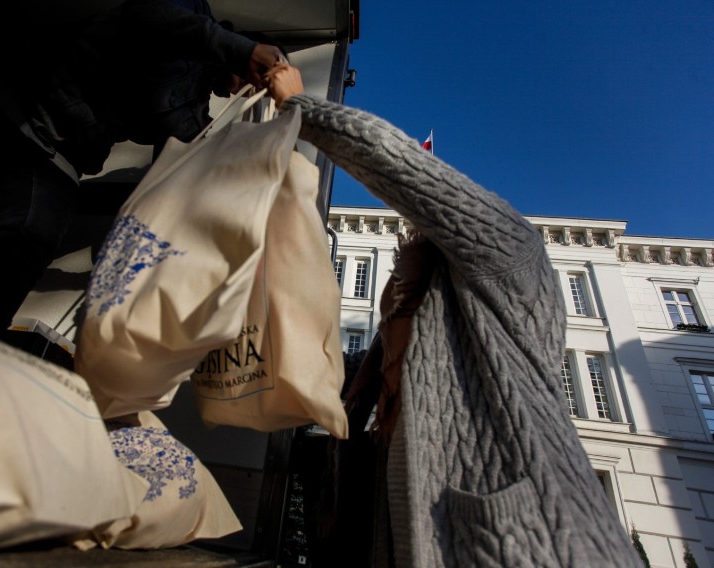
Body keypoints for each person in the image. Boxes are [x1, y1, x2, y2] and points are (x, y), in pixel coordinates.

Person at [264, 63, 642, 567]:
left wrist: (298, 106)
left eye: (401, 296)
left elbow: (400, 165)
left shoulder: (512, 261)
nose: (390, 308)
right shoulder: (376, 381)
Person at [0, 0, 282, 340]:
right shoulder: (193, 15)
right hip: (2, 94)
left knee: (20, 254)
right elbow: (146, 13)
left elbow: (177, 159)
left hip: (49, 154)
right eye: (257, 71)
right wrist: (238, 49)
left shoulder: (192, 108)